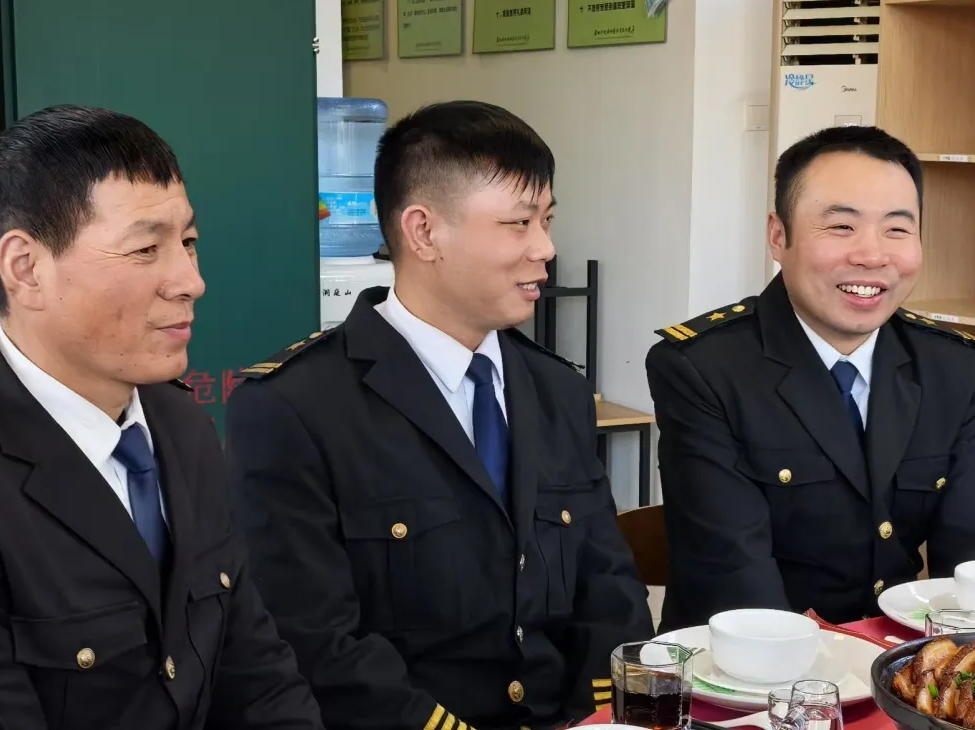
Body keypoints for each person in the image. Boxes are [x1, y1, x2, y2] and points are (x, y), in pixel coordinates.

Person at [225, 100, 654, 730]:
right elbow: (314, 644)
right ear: (423, 232)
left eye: (546, 219)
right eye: (518, 223)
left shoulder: (556, 389)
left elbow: (608, 586)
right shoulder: (294, 407)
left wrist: (596, 718)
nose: (545, 247)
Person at [0, 105, 324, 729]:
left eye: (188, 243)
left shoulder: (182, 426)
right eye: (146, 249)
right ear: (25, 269)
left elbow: (258, 675)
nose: (190, 281)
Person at [646, 125, 975, 632]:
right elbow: (733, 573)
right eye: (842, 227)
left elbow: (971, 558)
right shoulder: (704, 368)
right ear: (777, 236)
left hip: (896, 655)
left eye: (897, 229)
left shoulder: (951, 365)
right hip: (755, 661)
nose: (873, 255)